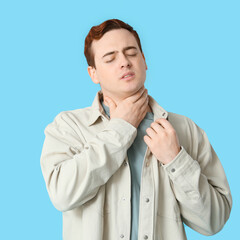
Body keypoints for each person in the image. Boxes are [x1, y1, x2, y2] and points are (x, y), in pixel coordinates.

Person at [40, 19, 232, 240]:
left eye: (131, 53)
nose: (124, 62)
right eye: (110, 58)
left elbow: (214, 222)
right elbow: (62, 195)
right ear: (93, 74)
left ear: (144, 60)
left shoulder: (184, 129)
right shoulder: (68, 126)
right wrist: (121, 128)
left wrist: (175, 159)